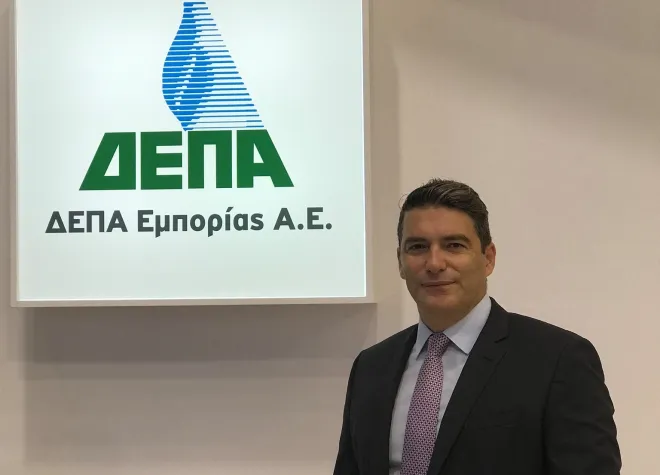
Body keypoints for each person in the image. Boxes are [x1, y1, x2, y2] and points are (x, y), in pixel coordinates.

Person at [333, 178, 621, 475]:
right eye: (418, 247)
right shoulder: (371, 367)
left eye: (454, 246)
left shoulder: (558, 361)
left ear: (488, 258)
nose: (434, 263)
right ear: (400, 262)